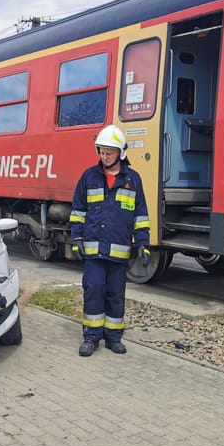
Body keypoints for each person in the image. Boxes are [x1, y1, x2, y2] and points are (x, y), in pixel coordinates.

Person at [70, 124, 150, 357]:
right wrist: (76, 238)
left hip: (119, 252)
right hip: (94, 251)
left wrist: (143, 243)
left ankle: (113, 337)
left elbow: (141, 215)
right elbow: (78, 211)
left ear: (120, 153)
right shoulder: (89, 177)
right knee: (94, 289)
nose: (104, 156)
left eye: (109, 152)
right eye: (101, 151)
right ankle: (91, 337)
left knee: (116, 293)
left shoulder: (133, 180)